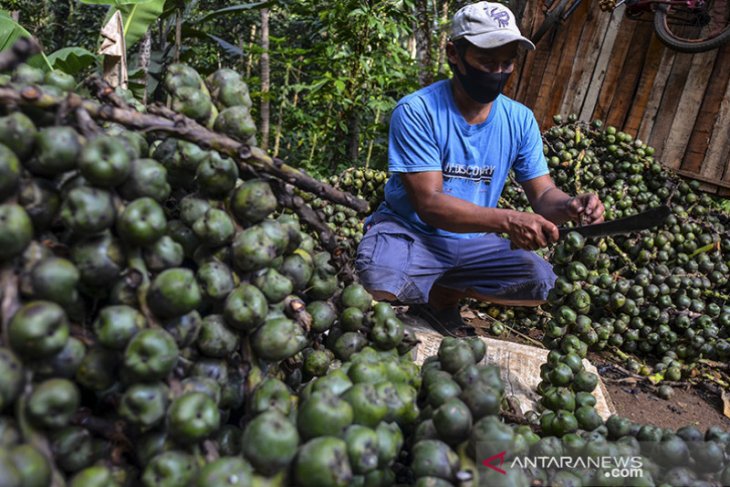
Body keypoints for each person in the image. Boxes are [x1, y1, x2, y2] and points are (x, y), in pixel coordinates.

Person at [355, 1, 605, 337]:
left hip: (472, 240)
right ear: (453, 54)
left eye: (507, 63)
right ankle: (419, 281)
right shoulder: (418, 111)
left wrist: (570, 205)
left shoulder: (519, 119)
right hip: (411, 231)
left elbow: (543, 194)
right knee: (378, 281)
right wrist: (508, 220)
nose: (497, 72)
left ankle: (441, 299)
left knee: (541, 282)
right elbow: (429, 204)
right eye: (486, 62)